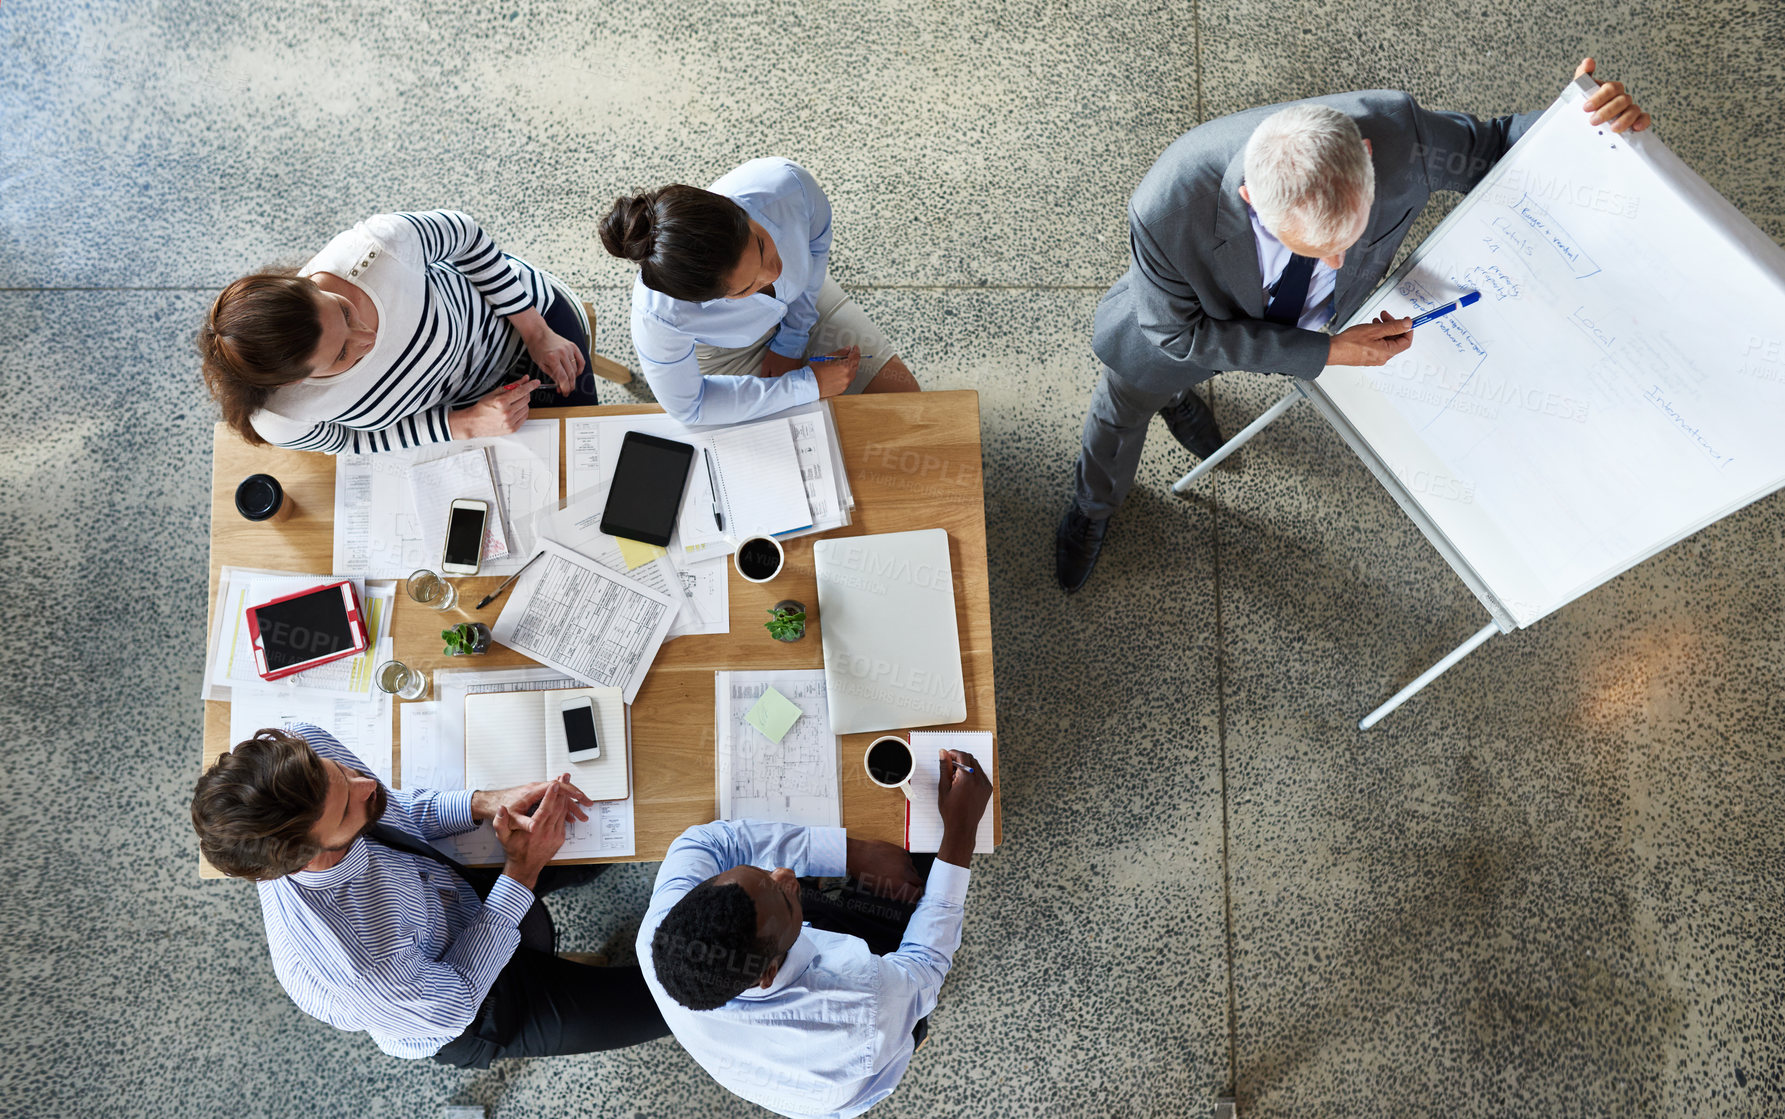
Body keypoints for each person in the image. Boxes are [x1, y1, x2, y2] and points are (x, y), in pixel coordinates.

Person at [1056, 59, 1653, 592]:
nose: (1339, 265)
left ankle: (1181, 402)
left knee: (1178, 382)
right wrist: (1327, 352)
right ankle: (1095, 504)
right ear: (1250, 198)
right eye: (1316, 249)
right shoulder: (1168, 203)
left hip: (1258, 329)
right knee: (1126, 404)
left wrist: (1585, 123)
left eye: (1349, 239)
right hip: (1184, 329)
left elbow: (1501, 145)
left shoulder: (1403, 135)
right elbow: (1177, 334)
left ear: (1366, 157)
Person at [190, 724, 669, 1065]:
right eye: (345, 808)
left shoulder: (307, 759)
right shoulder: (361, 969)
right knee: (667, 1000)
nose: (365, 784)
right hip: (467, 1007)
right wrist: (521, 872)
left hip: (453, 894)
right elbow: (456, 999)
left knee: (614, 833)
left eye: (335, 770)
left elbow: (391, 809)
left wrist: (484, 803)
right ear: (307, 858)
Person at [638, 748, 994, 1119]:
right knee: (910, 943)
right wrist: (961, 831)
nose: (784, 875)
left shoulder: (659, 932)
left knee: (824, 896)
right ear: (769, 973)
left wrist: (850, 853)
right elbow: (926, 963)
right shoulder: (864, 1008)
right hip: (856, 1068)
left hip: (767, 1052)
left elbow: (709, 842)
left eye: (760, 872)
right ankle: (915, 1033)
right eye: (785, 899)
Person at [200, 210, 598, 454]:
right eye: (341, 354)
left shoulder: (375, 247)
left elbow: (467, 237)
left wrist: (535, 329)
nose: (366, 337)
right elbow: (351, 443)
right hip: (463, 413)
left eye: (344, 309)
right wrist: (463, 424)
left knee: (592, 451)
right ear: (294, 381)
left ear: (307, 283)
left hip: (523, 322)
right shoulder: (280, 417)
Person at [601, 158, 920, 426]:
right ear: (707, 299)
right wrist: (807, 385)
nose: (773, 273)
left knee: (909, 408)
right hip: (724, 352)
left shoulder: (787, 185)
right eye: (747, 288)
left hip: (803, 301)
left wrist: (793, 339)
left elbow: (817, 244)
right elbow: (690, 407)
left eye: (762, 244)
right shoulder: (659, 317)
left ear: (737, 211)